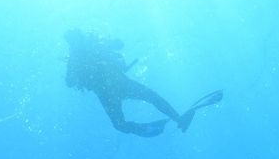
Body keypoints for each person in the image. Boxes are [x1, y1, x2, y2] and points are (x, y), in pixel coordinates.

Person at [64, 29, 223, 137]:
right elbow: (69, 82)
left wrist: (106, 45)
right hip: (114, 87)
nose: (75, 43)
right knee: (148, 99)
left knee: (124, 120)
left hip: (111, 87)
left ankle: (176, 119)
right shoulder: (77, 56)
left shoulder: (92, 45)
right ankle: (175, 119)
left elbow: (119, 44)